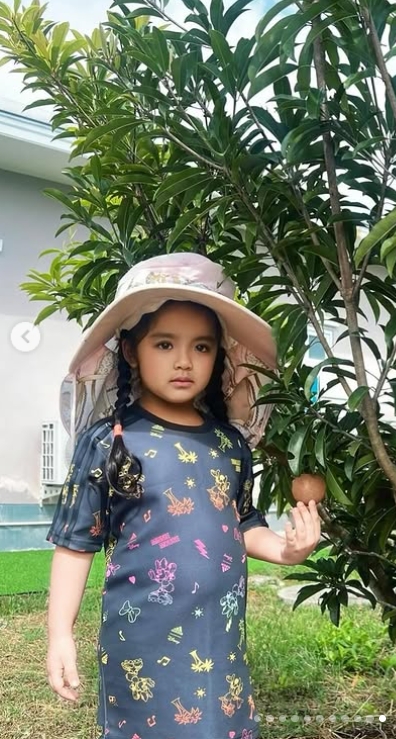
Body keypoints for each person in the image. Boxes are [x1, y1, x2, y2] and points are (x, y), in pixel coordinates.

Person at [45, 252, 322, 739]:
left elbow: (242, 522)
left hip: (219, 641)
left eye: (201, 347)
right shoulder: (110, 441)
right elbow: (75, 543)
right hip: (141, 643)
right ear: (131, 351)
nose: (183, 361)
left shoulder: (230, 445)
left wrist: (287, 549)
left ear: (218, 356)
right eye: (164, 343)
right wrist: (59, 633)